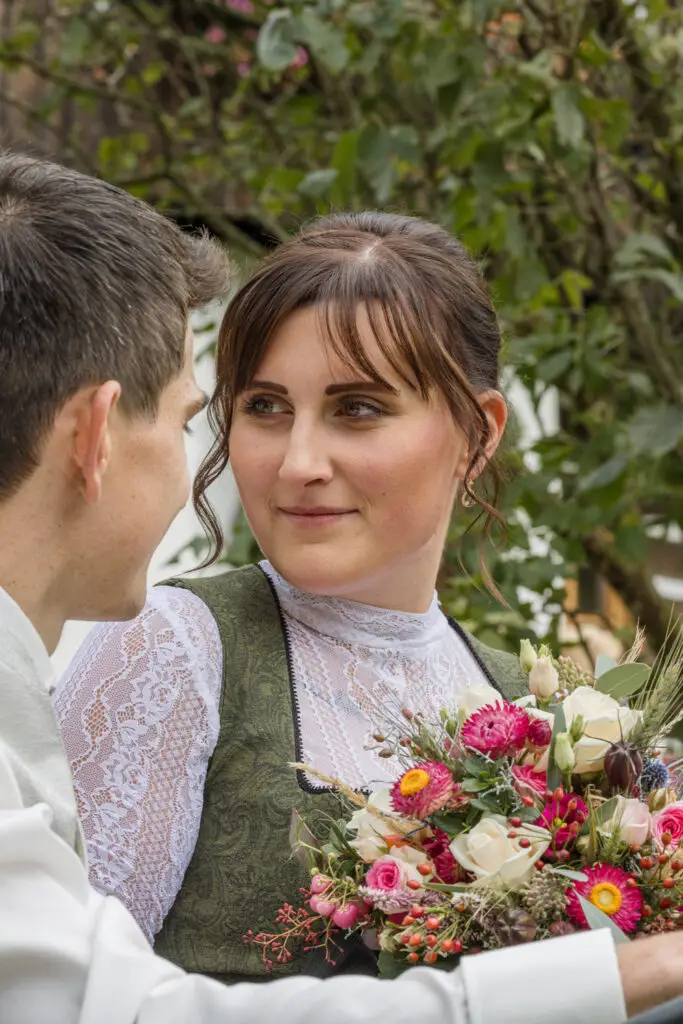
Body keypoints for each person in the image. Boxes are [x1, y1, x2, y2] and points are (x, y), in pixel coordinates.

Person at [0, 149, 624, 1024]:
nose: (297, 464)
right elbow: (70, 1001)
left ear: (475, 435)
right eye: (263, 408)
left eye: (356, 409)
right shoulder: (176, 645)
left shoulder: (544, 712)